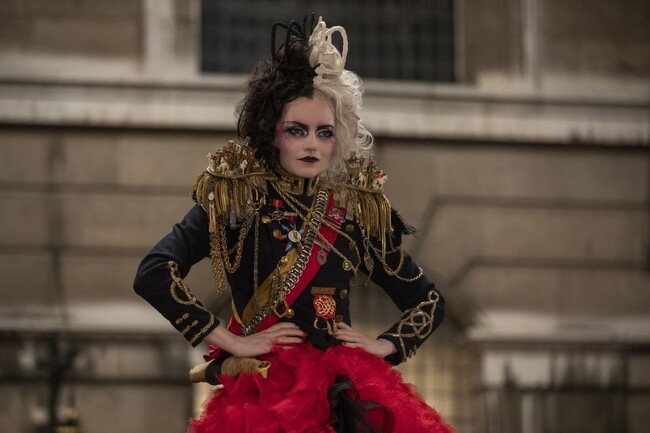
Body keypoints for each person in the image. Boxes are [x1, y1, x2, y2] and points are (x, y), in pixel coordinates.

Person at [134, 16, 453, 433]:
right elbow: (153, 273)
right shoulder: (236, 199)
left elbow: (428, 302)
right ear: (271, 133)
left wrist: (385, 346)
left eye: (324, 133)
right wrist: (231, 342)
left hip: (344, 396)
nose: (312, 145)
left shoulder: (353, 212)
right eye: (297, 131)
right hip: (265, 392)